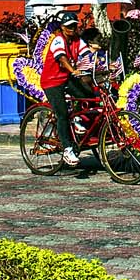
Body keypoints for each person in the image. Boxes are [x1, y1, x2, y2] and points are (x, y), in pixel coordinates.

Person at [38, 16, 95, 167]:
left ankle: (77, 119)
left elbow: (87, 54)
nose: (72, 29)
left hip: (66, 78)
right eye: (69, 26)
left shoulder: (77, 40)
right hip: (51, 82)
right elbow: (61, 58)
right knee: (62, 113)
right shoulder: (58, 40)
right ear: (62, 27)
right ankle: (67, 150)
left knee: (87, 94)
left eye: (74, 26)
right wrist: (74, 70)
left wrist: (99, 64)